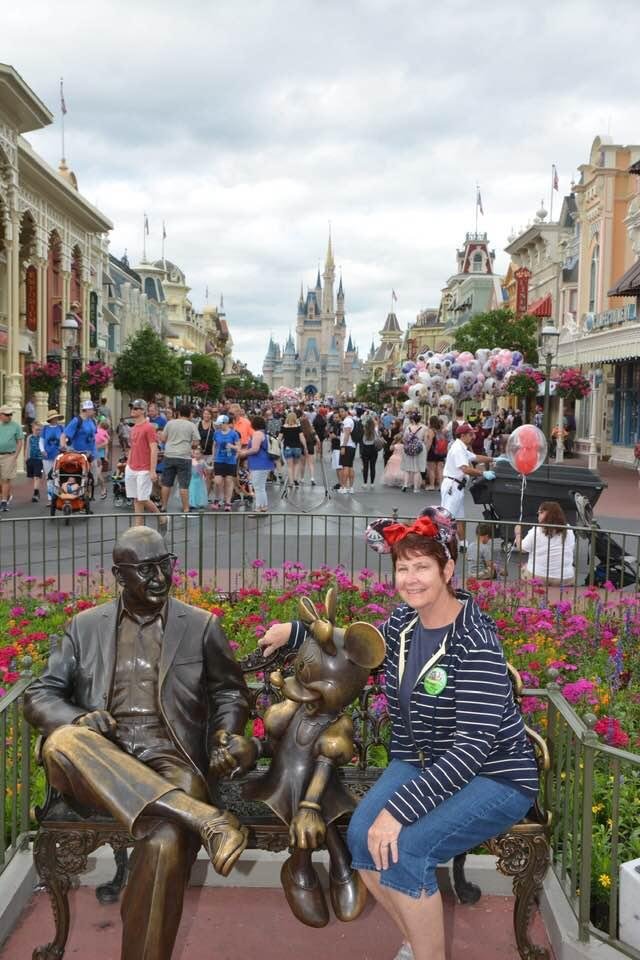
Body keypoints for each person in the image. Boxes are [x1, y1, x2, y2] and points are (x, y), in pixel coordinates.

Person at [259, 510, 538, 960]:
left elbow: (471, 748)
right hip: (423, 762)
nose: (411, 578)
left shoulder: (476, 644)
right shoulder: (405, 625)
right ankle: (416, 938)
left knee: (406, 849)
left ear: (447, 570)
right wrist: (295, 632)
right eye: (403, 567)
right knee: (362, 842)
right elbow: (355, 647)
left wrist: (399, 811)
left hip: (493, 775)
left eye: (422, 566)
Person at [24, 526, 252, 960]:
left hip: (170, 757)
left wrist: (226, 733)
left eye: (165, 565)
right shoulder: (84, 627)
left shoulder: (200, 626)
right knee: (63, 740)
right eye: (146, 569)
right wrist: (78, 717)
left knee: (164, 843)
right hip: (97, 757)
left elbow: (230, 692)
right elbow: (41, 694)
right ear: (118, 574)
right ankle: (203, 817)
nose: (160, 578)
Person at [440, 422, 493, 545]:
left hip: (457, 485)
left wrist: (493, 459)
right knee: (448, 517)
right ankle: (444, 543)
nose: (473, 437)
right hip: (453, 485)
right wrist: (483, 473)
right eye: (470, 434)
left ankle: (462, 543)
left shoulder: (461, 447)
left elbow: (475, 457)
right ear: (462, 435)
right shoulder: (458, 449)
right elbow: (465, 469)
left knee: (459, 518)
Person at [515, 501, 576, 585]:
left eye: (540, 512)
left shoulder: (537, 530)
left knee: (524, 569)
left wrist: (518, 533)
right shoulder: (569, 530)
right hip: (565, 578)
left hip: (538, 576)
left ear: (547, 513)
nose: (538, 515)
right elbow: (571, 548)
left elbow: (521, 548)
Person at [159, 404, 200, 517]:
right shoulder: (191, 425)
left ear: (178, 413)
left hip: (169, 455)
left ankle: (163, 507)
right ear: (189, 414)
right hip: (184, 456)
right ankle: (186, 509)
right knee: (184, 485)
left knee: (166, 483)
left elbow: (163, 438)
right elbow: (196, 442)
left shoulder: (170, 423)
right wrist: (189, 445)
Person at [125, 399, 161, 527]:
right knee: (136, 498)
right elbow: (132, 447)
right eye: (132, 408)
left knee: (143, 498)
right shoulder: (134, 428)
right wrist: (128, 464)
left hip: (144, 468)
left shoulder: (149, 427)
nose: (132, 410)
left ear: (143, 411)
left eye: (135, 408)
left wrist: (152, 470)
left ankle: (161, 517)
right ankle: (138, 526)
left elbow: (154, 449)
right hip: (132, 467)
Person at [236, 414, 272, 514]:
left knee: (257, 487)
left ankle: (258, 508)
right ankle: (263, 506)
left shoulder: (257, 434)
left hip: (259, 463)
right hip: (265, 463)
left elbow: (255, 449)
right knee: (261, 487)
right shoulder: (263, 433)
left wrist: (244, 453)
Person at [211, 414, 240, 512]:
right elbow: (214, 445)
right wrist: (213, 457)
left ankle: (227, 502)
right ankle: (217, 499)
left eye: (220, 424)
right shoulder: (216, 433)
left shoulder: (234, 434)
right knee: (218, 481)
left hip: (230, 460)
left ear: (226, 423)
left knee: (229, 481)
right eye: (218, 424)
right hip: (219, 460)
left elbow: (238, 447)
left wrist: (232, 446)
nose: (219, 426)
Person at [0, 404, 24, 512]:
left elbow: (19, 441)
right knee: (2, 480)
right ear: (1, 415)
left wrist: (15, 456)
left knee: (6, 479)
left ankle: (4, 502)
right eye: (7, 414)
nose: (9, 416)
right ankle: (7, 495)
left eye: (11, 414)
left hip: (9, 455)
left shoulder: (16, 426)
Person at [41, 409, 65, 504]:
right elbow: (41, 441)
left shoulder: (61, 428)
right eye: (54, 418)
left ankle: (59, 496)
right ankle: (50, 498)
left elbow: (65, 439)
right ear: (50, 419)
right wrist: (42, 450)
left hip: (59, 456)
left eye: (56, 417)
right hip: (47, 456)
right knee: (49, 477)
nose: (55, 419)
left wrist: (63, 446)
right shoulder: (45, 429)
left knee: (59, 476)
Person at [401, 411, 427, 494]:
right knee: (417, 469)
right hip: (419, 448)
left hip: (409, 448)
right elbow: (425, 439)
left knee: (407, 468)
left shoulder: (408, 427)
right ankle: (416, 488)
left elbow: (404, 438)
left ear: (412, 419)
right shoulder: (424, 428)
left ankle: (405, 485)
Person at [279, 411, 306, 488]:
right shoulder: (298, 427)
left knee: (289, 466)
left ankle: (291, 482)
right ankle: (295, 479)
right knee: (296, 464)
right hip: (297, 447)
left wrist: (278, 445)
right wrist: (305, 446)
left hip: (287, 448)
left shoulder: (283, 427)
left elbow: (279, 438)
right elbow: (302, 438)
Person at [425, 415, 447, 491]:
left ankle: (432, 485)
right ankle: (441, 486)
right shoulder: (441, 430)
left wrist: (426, 451)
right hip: (441, 451)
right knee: (440, 469)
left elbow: (430, 442)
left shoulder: (431, 430)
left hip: (433, 451)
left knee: (431, 469)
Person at [360, 412, 380, 488]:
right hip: (373, 449)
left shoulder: (364, 430)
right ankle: (372, 483)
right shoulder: (375, 430)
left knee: (365, 467)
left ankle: (365, 483)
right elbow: (376, 422)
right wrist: (373, 419)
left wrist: (366, 416)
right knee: (373, 467)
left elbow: (362, 420)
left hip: (365, 449)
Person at [338, 407, 356, 493]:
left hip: (347, 446)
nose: (341, 413)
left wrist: (343, 446)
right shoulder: (349, 420)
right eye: (340, 412)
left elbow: (347, 434)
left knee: (345, 467)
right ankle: (350, 487)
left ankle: (344, 487)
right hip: (351, 446)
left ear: (346, 411)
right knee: (350, 466)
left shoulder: (347, 421)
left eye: (342, 411)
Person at [25, 421, 44, 502]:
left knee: (37, 476)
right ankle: (37, 491)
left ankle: (35, 494)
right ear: (32, 429)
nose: (38, 431)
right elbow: (27, 448)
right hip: (31, 458)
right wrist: (26, 457)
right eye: (36, 429)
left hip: (39, 459)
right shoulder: (29, 437)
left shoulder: (42, 438)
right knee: (33, 477)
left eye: (40, 430)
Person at [95, 418, 110, 500]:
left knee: (98, 474)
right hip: (91, 455)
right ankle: (89, 493)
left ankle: (103, 488)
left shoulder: (104, 434)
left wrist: (105, 456)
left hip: (99, 456)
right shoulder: (95, 431)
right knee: (90, 474)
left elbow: (106, 446)